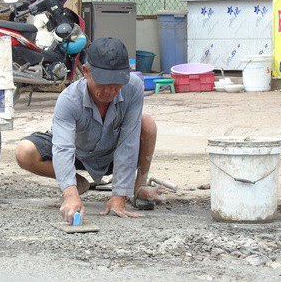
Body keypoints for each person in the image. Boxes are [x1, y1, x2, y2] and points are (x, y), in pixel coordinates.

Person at [15, 37, 168, 223]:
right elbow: (63, 149)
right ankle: (78, 183)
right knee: (24, 151)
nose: (110, 91)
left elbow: (128, 142)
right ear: (87, 72)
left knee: (147, 124)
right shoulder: (69, 99)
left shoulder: (133, 87)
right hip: (77, 154)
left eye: (116, 85)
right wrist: (70, 194)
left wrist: (119, 197)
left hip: (110, 153)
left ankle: (138, 189)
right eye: (103, 84)